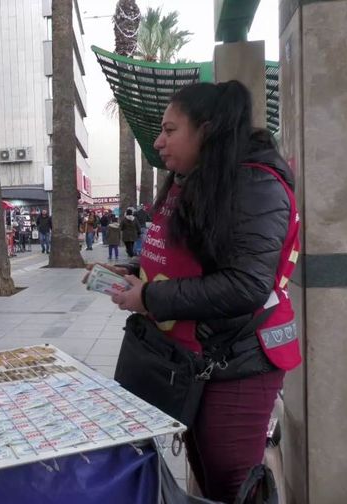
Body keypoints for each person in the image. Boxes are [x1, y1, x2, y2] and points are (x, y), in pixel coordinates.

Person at [107, 80, 299, 502]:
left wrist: (150, 298)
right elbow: (200, 254)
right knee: (207, 477)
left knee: (232, 485)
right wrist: (140, 268)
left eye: (171, 130)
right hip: (199, 360)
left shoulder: (256, 186)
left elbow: (247, 283)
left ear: (207, 130)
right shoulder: (198, 179)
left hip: (240, 363)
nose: (158, 142)